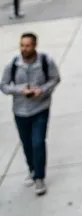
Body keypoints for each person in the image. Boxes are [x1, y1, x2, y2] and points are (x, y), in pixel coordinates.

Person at [1, 32, 60, 196]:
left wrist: (42, 90)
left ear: (35, 46)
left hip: (40, 108)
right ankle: (32, 169)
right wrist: (20, 90)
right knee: (27, 143)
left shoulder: (45, 61)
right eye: (22, 45)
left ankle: (39, 177)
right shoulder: (13, 65)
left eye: (27, 45)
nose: (24, 49)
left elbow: (55, 78)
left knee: (38, 142)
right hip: (20, 111)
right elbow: (4, 85)